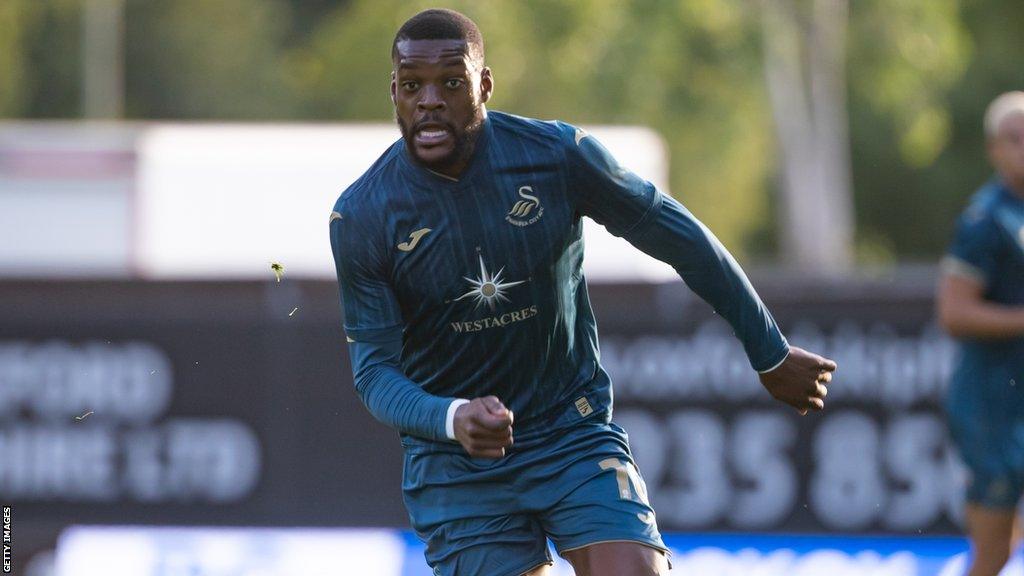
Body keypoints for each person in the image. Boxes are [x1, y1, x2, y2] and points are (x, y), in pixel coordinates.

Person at [329, 9, 836, 576]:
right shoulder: (363, 214)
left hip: (570, 431)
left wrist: (768, 349)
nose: (429, 100)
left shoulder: (556, 157)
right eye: (411, 85)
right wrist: (452, 418)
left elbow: (681, 239)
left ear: (485, 85)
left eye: (451, 82)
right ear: (393, 92)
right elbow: (374, 372)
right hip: (457, 464)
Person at [938, 90, 1024, 576]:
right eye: (1014, 139)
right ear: (995, 149)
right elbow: (953, 312)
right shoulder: (986, 219)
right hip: (993, 405)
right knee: (993, 552)